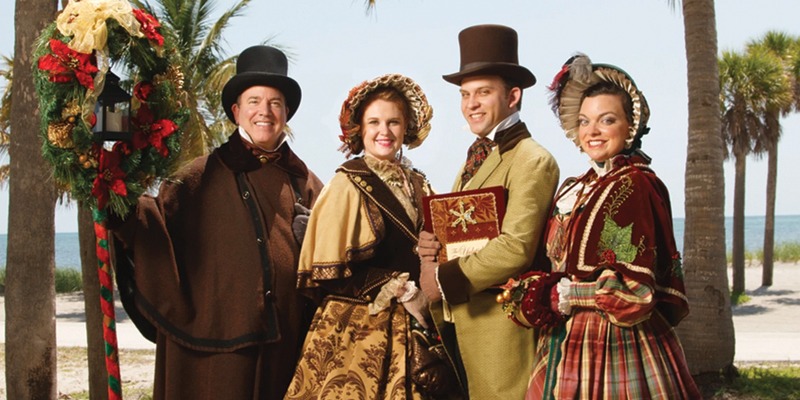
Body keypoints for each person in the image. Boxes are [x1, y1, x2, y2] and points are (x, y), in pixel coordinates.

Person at [109, 45, 324, 399]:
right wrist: (117, 202)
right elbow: (152, 230)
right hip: (216, 354)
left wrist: (316, 237)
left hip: (286, 351)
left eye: (275, 103)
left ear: (286, 113)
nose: (264, 112)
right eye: (254, 101)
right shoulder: (196, 177)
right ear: (236, 111)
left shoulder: (306, 182)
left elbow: (334, 258)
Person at [506, 53, 701, 399]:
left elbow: (636, 293)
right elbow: (551, 261)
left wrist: (569, 295)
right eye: (584, 121)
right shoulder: (573, 188)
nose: (592, 131)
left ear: (630, 127)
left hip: (618, 341)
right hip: (561, 339)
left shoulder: (637, 184)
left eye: (606, 120)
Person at [285, 74, 461, 399]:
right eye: (375, 122)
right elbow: (328, 273)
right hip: (361, 328)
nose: (384, 131)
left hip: (421, 321)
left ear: (406, 127)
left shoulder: (419, 183)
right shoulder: (346, 183)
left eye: (393, 122)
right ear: (360, 130)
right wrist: (400, 289)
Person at [416, 24, 560, 399]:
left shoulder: (533, 159)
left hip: (504, 332)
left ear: (513, 96)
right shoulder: (477, 156)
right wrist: (433, 244)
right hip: (469, 325)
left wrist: (442, 279)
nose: (471, 104)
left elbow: (516, 247)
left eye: (483, 93)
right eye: (465, 94)